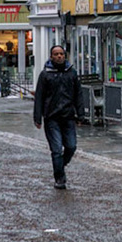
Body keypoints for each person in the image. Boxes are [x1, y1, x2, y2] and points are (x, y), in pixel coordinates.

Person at [33, 45, 82, 189]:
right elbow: (39, 97)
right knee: (56, 149)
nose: (59, 56)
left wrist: (81, 114)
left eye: (61, 54)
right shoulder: (45, 74)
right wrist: (38, 117)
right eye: (56, 54)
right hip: (51, 117)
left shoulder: (71, 73)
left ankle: (61, 164)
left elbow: (78, 94)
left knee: (71, 146)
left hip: (68, 116)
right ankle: (59, 178)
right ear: (51, 56)